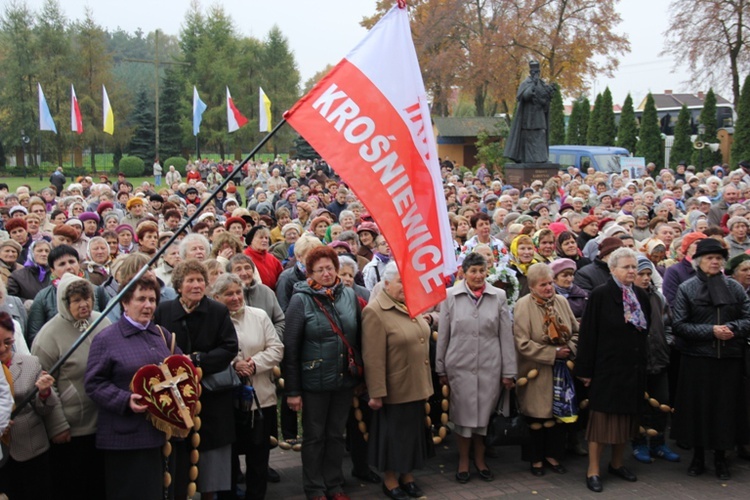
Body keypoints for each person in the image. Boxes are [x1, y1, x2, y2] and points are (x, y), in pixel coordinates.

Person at [84, 275, 179, 499]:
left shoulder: (160, 334)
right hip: (126, 438)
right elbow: (94, 383)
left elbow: (177, 367)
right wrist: (125, 400)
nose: (148, 305)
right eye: (141, 299)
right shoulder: (106, 338)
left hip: (161, 434)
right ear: (125, 302)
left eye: (152, 299)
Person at [282, 246, 362, 500]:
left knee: (336, 435)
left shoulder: (348, 296)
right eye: (320, 270)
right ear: (310, 273)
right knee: (315, 436)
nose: (326, 273)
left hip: (343, 378)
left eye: (330, 268)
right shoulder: (300, 299)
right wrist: (293, 391)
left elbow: (358, 337)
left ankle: (334, 485)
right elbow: (291, 348)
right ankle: (315, 488)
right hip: (314, 380)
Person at [154, 260, 239, 499]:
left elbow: (230, 347)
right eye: (190, 280)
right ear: (179, 285)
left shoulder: (217, 310)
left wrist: (197, 360)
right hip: (176, 396)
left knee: (211, 458)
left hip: (211, 395)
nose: (196, 285)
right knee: (179, 456)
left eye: (200, 280)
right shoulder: (164, 311)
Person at [671, 238, 750, 480]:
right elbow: (679, 325)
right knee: (698, 411)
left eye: (718, 258)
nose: (714, 262)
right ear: (698, 261)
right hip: (698, 359)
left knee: (724, 411)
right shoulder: (687, 288)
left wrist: (732, 328)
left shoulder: (735, 288)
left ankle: (720, 458)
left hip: (729, 359)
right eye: (709, 258)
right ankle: (697, 457)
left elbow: (748, 318)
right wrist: (711, 331)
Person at [574, 247, 650, 493]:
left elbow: (645, 332)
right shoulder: (600, 295)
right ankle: (594, 469)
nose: (631, 271)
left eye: (633, 267)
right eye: (626, 267)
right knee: (601, 423)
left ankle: (617, 464)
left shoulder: (640, 295)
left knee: (627, 420)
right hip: (607, 369)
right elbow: (588, 334)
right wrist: (585, 370)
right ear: (613, 269)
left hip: (632, 369)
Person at [436, 253, 516, 484]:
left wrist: (508, 371)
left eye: (482, 271)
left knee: (483, 417)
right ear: (464, 272)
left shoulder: (498, 296)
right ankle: (463, 460)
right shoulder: (450, 296)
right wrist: (441, 368)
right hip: (459, 366)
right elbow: (443, 335)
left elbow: (505, 336)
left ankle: (480, 460)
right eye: (473, 271)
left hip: (490, 365)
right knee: (462, 417)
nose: (478, 276)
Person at [31, 274, 110, 498]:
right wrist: (58, 426)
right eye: (76, 300)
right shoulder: (48, 336)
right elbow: (45, 383)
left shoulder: (102, 321)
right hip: (72, 429)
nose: (84, 304)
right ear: (64, 303)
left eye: (87, 298)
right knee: (74, 487)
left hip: (103, 422)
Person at [362, 261, 434, 499]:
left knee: (411, 434)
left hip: (415, 383)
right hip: (394, 387)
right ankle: (390, 479)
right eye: (401, 281)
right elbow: (373, 357)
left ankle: (407, 475)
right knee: (393, 436)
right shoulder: (375, 311)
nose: (406, 286)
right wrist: (376, 392)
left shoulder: (411, 305)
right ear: (386, 284)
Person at [212, 274, 283, 500]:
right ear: (216, 297)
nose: (235, 298)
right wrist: (234, 365)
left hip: (261, 398)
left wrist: (254, 364)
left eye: (237, 292)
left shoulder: (259, 316)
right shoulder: (213, 322)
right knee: (229, 457)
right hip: (227, 401)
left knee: (258, 456)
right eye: (228, 294)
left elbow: (276, 349)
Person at [514, 263, 578, 476]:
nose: (549, 288)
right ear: (532, 287)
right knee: (536, 417)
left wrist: (568, 348)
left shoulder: (561, 301)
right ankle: (535, 459)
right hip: (535, 371)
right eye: (543, 285)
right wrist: (552, 354)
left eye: (550, 283)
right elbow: (522, 343)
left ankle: (553, 455)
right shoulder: (523, 305)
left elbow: (576, 333)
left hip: (561, 372)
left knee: (556, 417)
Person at [0, 311, 62, 499]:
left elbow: (45, 408)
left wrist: (44, 393)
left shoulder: (30, 363)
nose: (3, 349)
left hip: (30, 448)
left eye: (8, 342)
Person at [629, 256, 680, 464]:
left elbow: (669, 324)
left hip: (659, 359)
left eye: (648, 274)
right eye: (641, 274)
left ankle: (659, 443)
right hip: (637, 362)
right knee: (639, 405)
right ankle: (639, 442)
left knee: (662, 402)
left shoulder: (658, 298)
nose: (646, 278)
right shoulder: (628, 299)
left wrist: (666, 342)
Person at [503, 60, 557, 164]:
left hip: (539, 116)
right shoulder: (526, 83)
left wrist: (549, 94)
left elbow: (545, 100)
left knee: (541, 134)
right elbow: (524, 96)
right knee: (529, 136)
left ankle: (541, 158)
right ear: (530, 72)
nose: (536, 73)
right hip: (528, 118)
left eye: (537, 71)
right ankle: (529, 158)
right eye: (534, 71)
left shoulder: (542, 84)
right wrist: (534, 84)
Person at [244, 226, 284, 291]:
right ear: (251, 240)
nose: (265, 240)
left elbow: (281, 277)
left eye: (266, 238)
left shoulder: (272, 258)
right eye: (261, 237)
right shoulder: (244, 257)